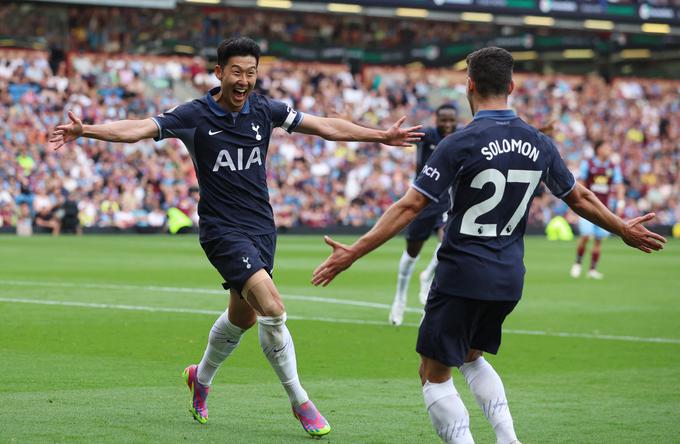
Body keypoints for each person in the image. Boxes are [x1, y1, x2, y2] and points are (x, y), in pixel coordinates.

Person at [49, 36, 423, 437]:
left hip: (262, 228)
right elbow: (138, 129)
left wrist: (380, 136)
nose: (244, 80)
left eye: (251, 72)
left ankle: (201, 377)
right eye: (236, 72)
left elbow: (325, 126)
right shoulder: (194, 115)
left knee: (242, 317)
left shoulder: (265, 109)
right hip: (221, 230)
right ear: (219, 73)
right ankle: (301, 401)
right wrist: (86, 130)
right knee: (273, 308)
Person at [311, 47, 665, 444]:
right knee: (471, 357)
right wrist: (621, 228)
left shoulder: (459, 143)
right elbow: (578, 197)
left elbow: (410, 206)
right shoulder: (540, 143)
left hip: (462, 273)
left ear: (470, 85)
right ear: (512, 87)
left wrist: (353, 252)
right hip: (509, 278)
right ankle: (508, 439)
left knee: (433, 372)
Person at [389, 104, 457, 326]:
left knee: (448, 243)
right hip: (421, 202)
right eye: (443, 120)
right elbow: (391, 132)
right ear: (436, 119)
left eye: (451, 121)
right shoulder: (427, 134)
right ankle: (400, 297)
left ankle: (428, 275)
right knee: (411, 254)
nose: (447, 125)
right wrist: (352, 121)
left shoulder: (460, 135)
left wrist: (540, 131)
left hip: (445, 202)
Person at [570, 140, 625, 279]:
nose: (609, 150)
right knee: (586, 236)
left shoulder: (613, 166)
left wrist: (620, 203)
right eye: (606, 147)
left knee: (599, 239)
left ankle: (592, 270)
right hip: (588, 207)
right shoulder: (588, 164)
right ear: (598, 149)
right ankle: (577, 263)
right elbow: (580, 183)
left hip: (604, 208)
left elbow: (619, 185)